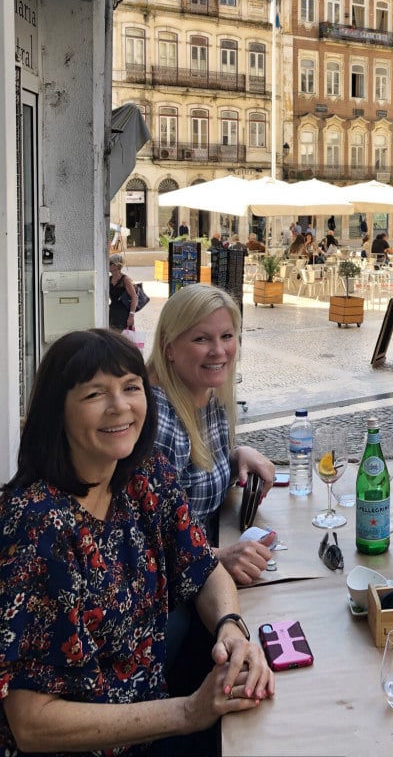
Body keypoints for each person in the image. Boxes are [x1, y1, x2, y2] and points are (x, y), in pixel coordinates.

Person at [0, 329, 273, 756]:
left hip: (154, 718)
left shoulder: (145, 475)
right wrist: (187, 713)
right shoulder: (37, 527)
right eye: (95, 394)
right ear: (58, 412)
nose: (120, 406)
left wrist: (232, 629)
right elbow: (31, 722)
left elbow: (201, 567)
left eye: (131, 387)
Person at [147, 284, 276, 585]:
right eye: (201, 339)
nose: (219, 351)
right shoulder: (160, 422)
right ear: (169, 347)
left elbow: (190, 479)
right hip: (174, 595)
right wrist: (219, 556)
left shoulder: (207, 392)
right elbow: (145, 545)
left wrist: (236, 456)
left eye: (227, 336)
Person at [109, 253, 138, 333]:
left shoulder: (125, 279)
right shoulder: (109, 279)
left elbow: (134, 297)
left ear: (116, 265)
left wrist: (131, 316)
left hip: (123, 314)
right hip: (112, 311)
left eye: (110, 263)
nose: (107, 265)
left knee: (121, 338)